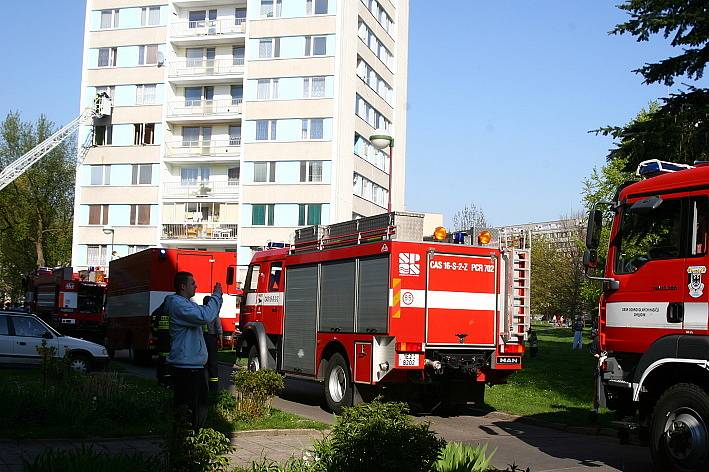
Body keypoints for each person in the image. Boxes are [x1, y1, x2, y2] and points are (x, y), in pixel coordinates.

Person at [165, 271, 223, 431]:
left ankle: (191, 437)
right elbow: (205, 316)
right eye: (192, 283)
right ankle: (185, 440)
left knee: (199, 408)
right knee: (188, 410)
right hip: (186, 368)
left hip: (194, 366)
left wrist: (217, 299)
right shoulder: (179, 305)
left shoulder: (187, 304)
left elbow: (208, 313)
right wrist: (216, 296)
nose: (196, 285)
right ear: (182, 286)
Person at [202, 295, 223, 394]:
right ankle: (214, 389)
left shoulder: (200, 312)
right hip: (212, 339)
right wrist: (221, 342)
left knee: (203, 364)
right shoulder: (214, 314)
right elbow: (219, 329)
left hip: (202, 340)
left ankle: (203, 386)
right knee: (213, 364)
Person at [150, 299, 172, 387]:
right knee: (169, 362)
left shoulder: (156, 312)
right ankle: (168, 380)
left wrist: (156, 334)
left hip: (160, 340)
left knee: (161, 360)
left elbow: (153, 327)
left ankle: (160, 379)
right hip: (170, 340)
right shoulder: (171, 312)